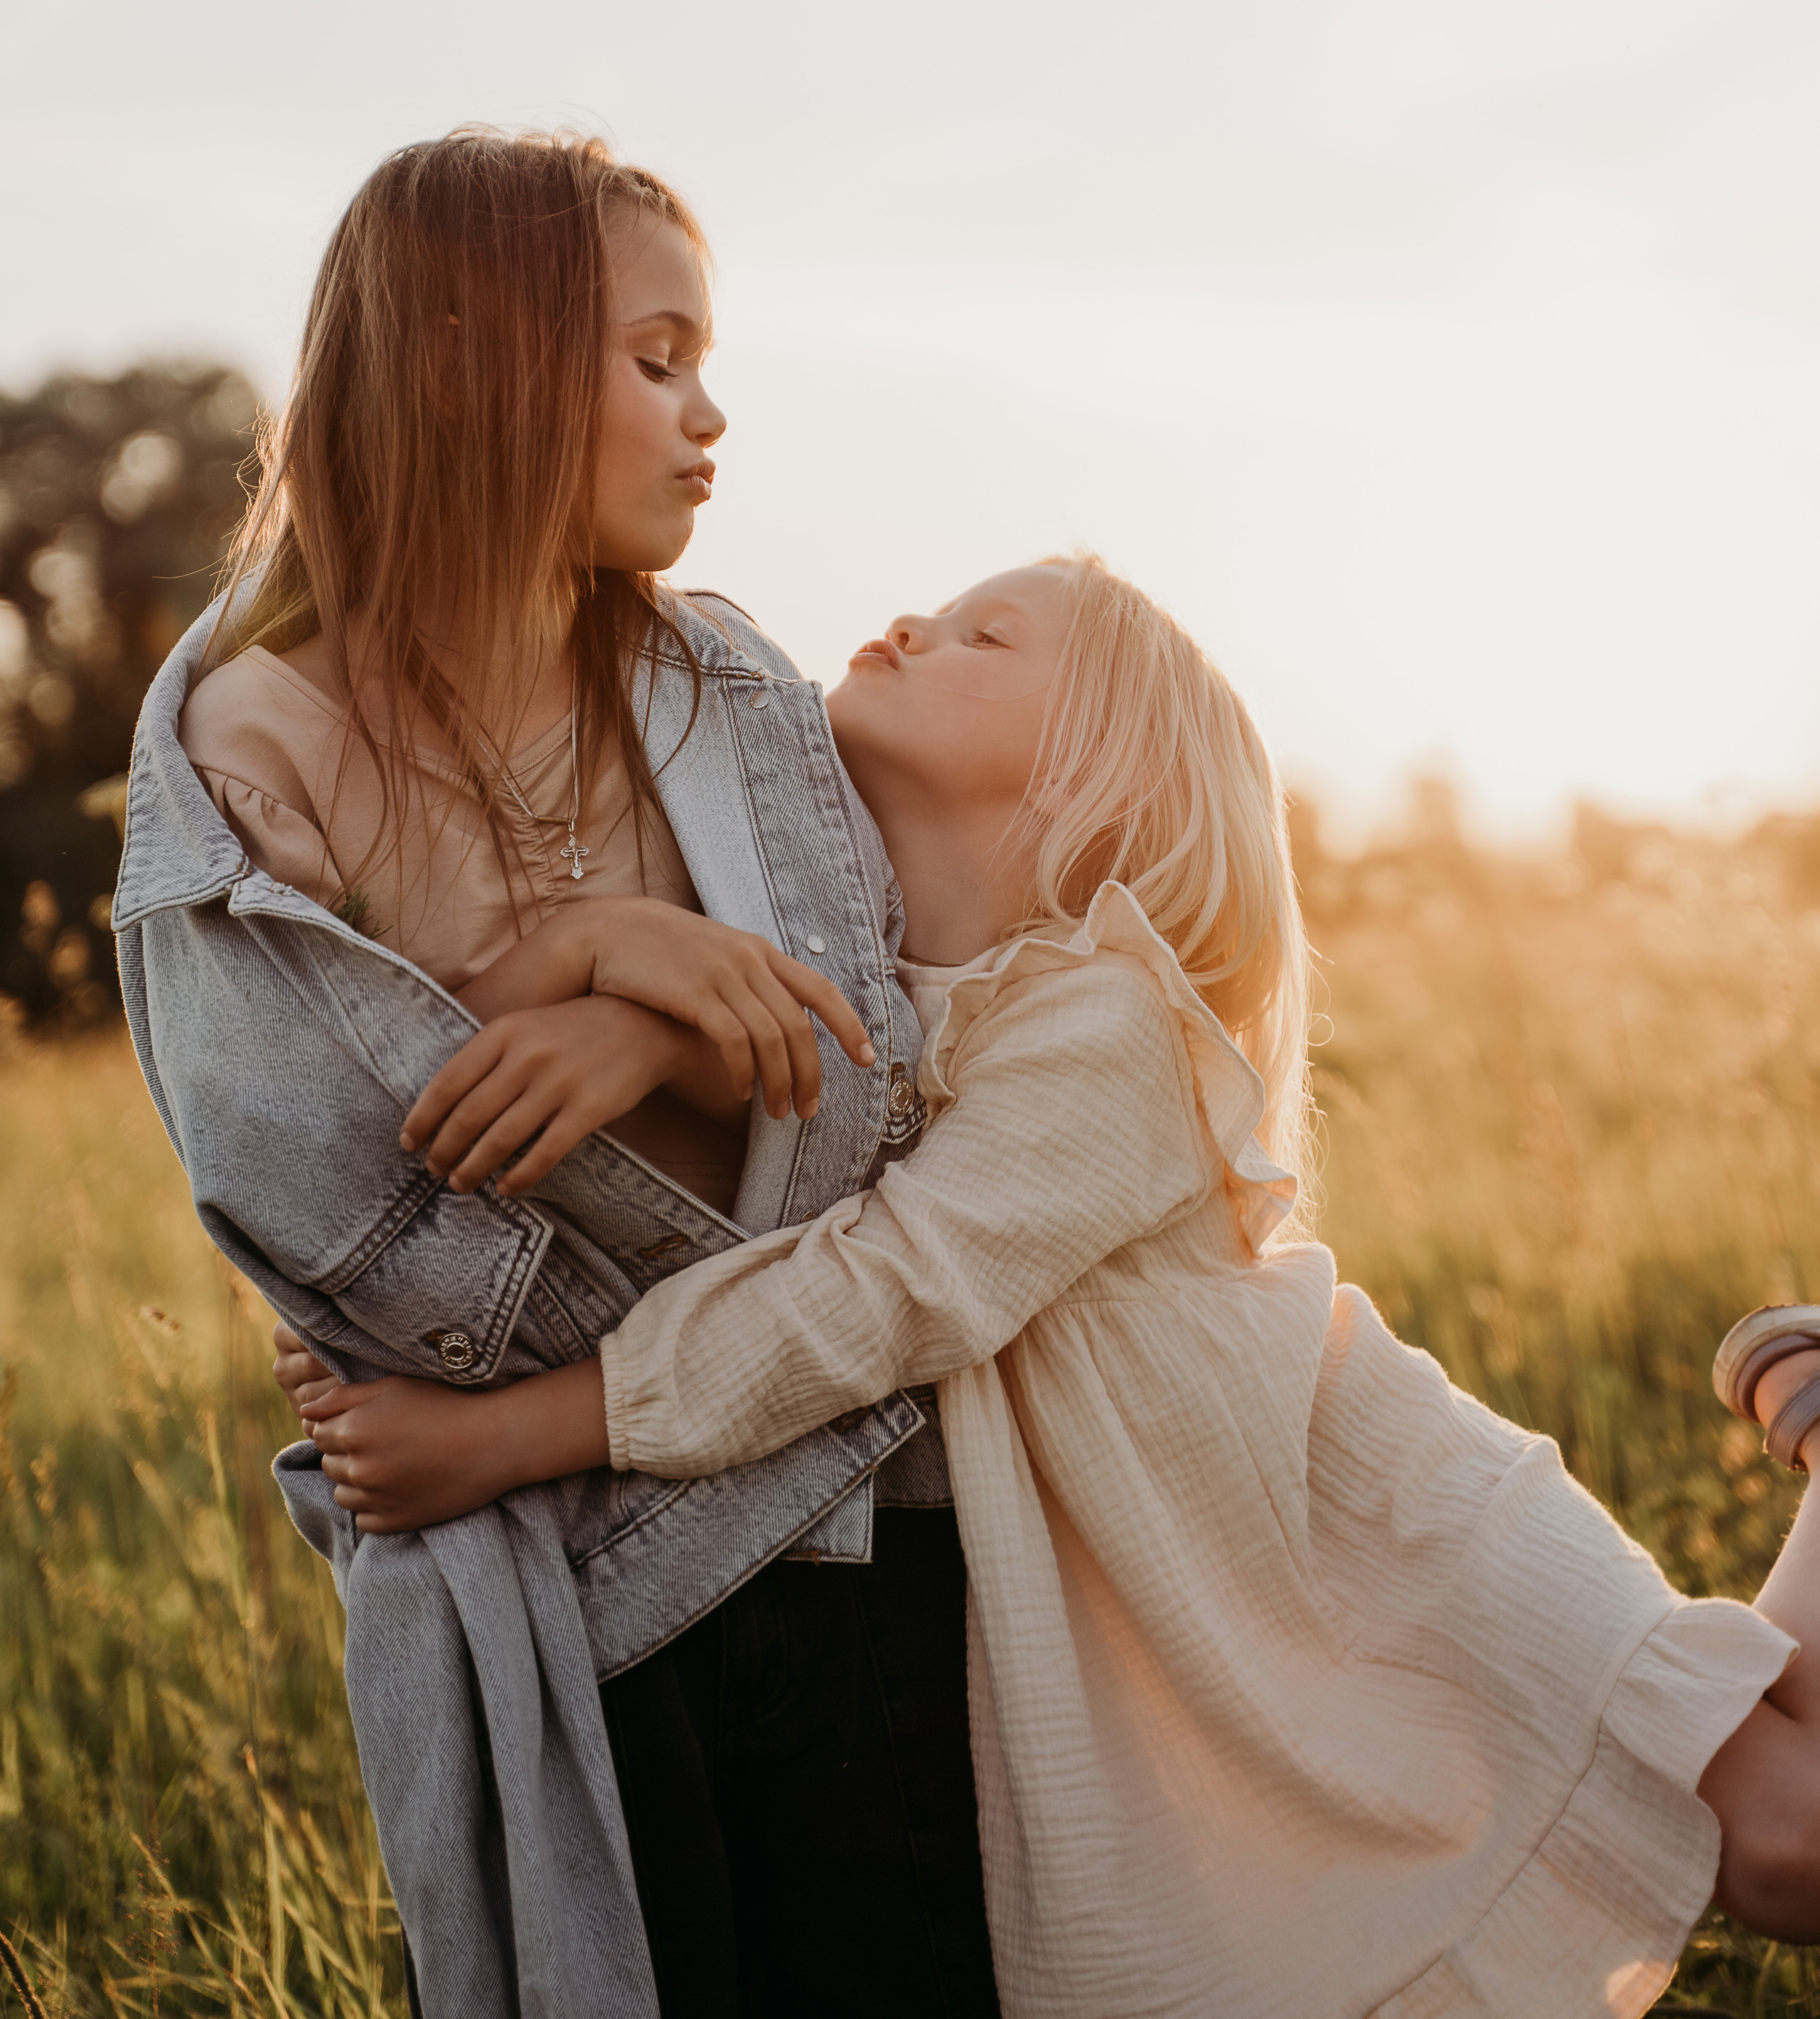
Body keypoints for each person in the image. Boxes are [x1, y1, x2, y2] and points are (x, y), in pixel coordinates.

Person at [285, 554, 1820, 2019]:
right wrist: (588, 983)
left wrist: (512, 1430)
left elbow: (885, 1288)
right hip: (1225, 1612)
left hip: (1382, 1531)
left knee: (1781, 1836)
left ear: (1100, 773)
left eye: (983, 634)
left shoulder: (1112, 1020)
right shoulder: (875, 994)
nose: (908, 618)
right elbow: (644, 1153)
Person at [114, 127, 999, 2019]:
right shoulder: (256, 741)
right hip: (548, 1590)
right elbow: (369, 1187)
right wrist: (581, 943)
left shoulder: (731, 695)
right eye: (656, 356)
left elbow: (884, 1070)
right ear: (463, 356)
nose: (710, 413)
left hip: (845, 1517)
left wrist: (643, 1018)